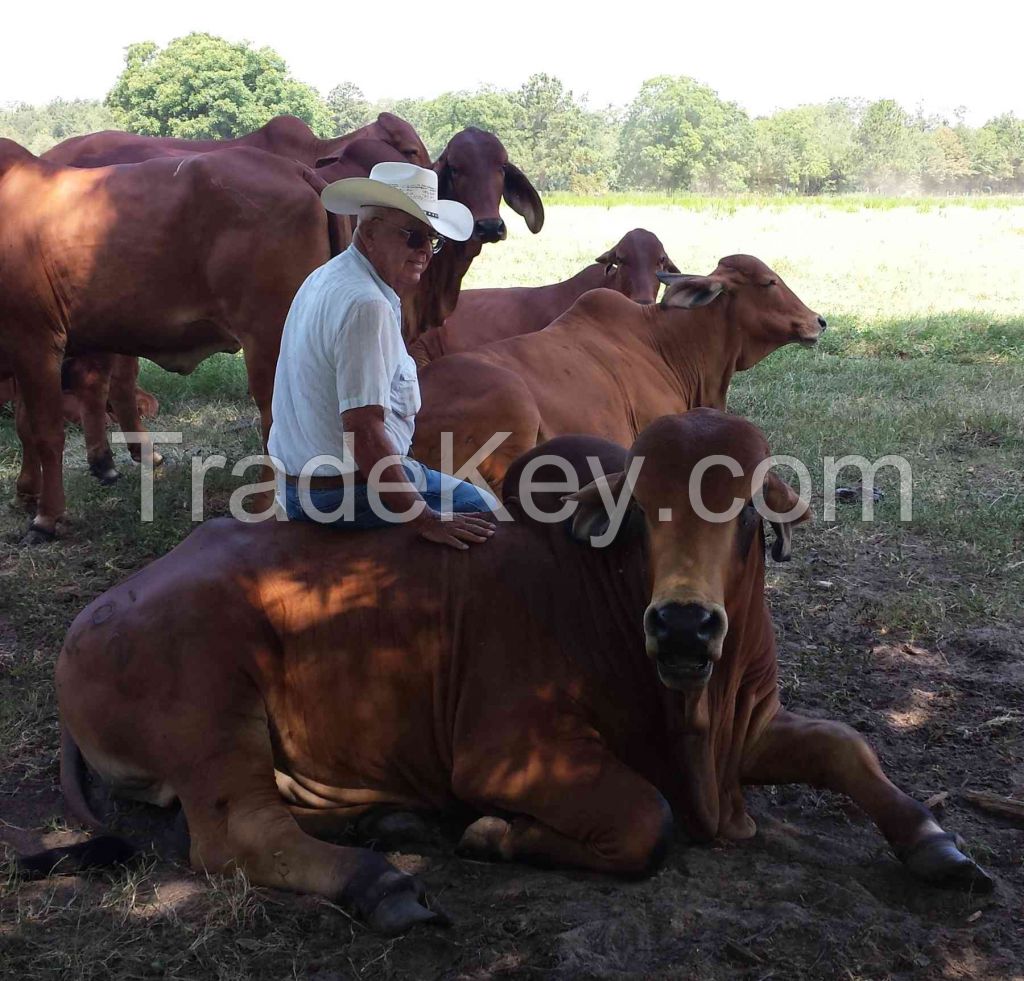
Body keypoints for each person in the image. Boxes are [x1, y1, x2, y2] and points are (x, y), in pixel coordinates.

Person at [268, 162, 498, 549]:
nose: (425, 251)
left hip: (301, 483)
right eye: (413, 237)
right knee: (483, 508)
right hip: (340, 494)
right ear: (370, 232)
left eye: (432, 239)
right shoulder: (366, 305)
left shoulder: (328, 276)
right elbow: (364, 430)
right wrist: (424, 519)